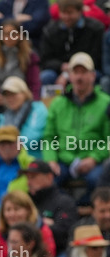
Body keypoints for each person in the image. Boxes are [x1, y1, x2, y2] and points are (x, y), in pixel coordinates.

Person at [43, 52, 110, 192]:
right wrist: (51, 160)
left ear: (93, 75)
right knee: (47, 179)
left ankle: (94, 211)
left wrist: (93, 158)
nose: (79, 77)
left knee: (97, 179)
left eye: (84, 72)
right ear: (70, 75)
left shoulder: (106, 103)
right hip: (64, 159)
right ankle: (60, 211)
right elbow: (49, 138)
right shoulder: (57, 104)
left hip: (94, 159)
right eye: (75, 72)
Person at [0, 189, 57, 257]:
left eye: (17, 209)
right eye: (8, 210)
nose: (12, 214)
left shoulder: (42, 230)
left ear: (28, 210)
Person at [39, 0, 103, 86]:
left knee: (96, 76)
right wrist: (62, 66)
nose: (66, 17)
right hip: (59, 69)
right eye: (63, 12)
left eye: (70, 13)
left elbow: (96, 57)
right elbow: (46, 59)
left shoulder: (95, 29)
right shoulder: (50, 31)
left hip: (86, 68)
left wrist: (73, 70)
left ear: (80, 11)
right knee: (46, 76)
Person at [0, 20, 41, 103]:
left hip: (23, 101)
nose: (9, 37)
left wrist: (30, 100)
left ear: (20, 35)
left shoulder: (30, 57)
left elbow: (35, 84)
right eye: (5, 34)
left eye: (13, 34)